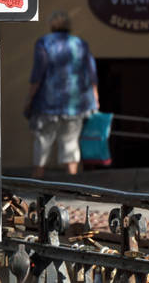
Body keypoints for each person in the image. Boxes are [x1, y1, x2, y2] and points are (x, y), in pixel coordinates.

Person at [24, 10, 99, 177]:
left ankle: (37, 182)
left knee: (42, 143)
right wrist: (95, 97)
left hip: (47, 103)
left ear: (51, 25)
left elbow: (38, 74)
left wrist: (29, 99)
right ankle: (71, 183)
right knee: (71, 144)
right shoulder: (80, 44)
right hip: (75, 103)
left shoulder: (44, 43)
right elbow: (91, 73)